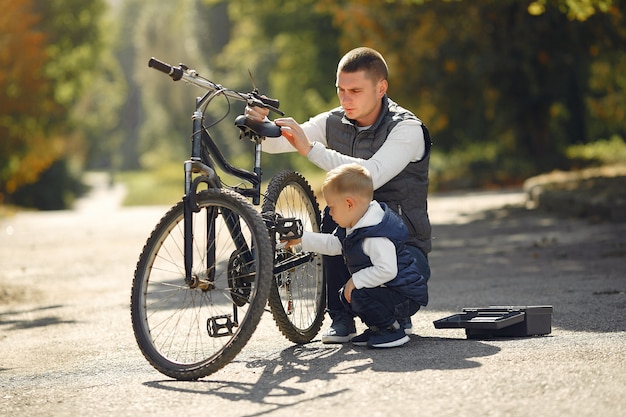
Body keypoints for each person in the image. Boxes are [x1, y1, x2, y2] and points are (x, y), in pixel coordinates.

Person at [247, 46, 432, 343]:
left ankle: (395, 314)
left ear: (381, 88)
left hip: (403, 245)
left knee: (388, 286)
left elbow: (371, 175)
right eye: (341, 90)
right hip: (355, 235)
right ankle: (341, 320)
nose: (346, 99)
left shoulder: (406, 128)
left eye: (356, 90)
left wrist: (311, 149)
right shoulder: (334, 120)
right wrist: (259, 125)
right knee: (332, 216)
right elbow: (280, 143)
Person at [283, 163, 428, 348]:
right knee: (348, 294)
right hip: (388, 290)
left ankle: (391, 330)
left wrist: (355, 280)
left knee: (356, 293)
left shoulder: (374, 234)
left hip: (403, 296)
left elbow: (387, 270)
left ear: (349, 204)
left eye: (332, 207)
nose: (330, 213)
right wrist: (302, 239)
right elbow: (334, 244)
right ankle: (378, 327)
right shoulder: (355, 225)